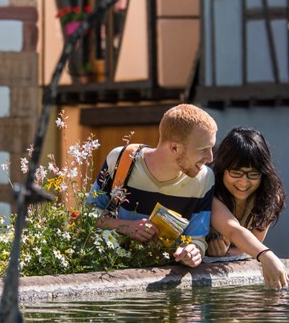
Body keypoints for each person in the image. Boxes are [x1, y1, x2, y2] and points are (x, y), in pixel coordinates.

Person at [86, 104, 216, 268]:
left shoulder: (204, 177)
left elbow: (197, 239)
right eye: (204, 150)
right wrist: (126, 227)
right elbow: (87, 216)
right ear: (174, 147)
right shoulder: (121, 160)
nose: (210, 158)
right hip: (111, 269)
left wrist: (192, 252)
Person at [205, 127, 288, 289]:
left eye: (253, 174)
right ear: (223, 169)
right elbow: (232, 229)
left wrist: (225, 253)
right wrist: (266, 255)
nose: (244, 182)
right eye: (236, 172)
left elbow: (254, 242)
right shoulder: (210, 190)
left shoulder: (270, 196)